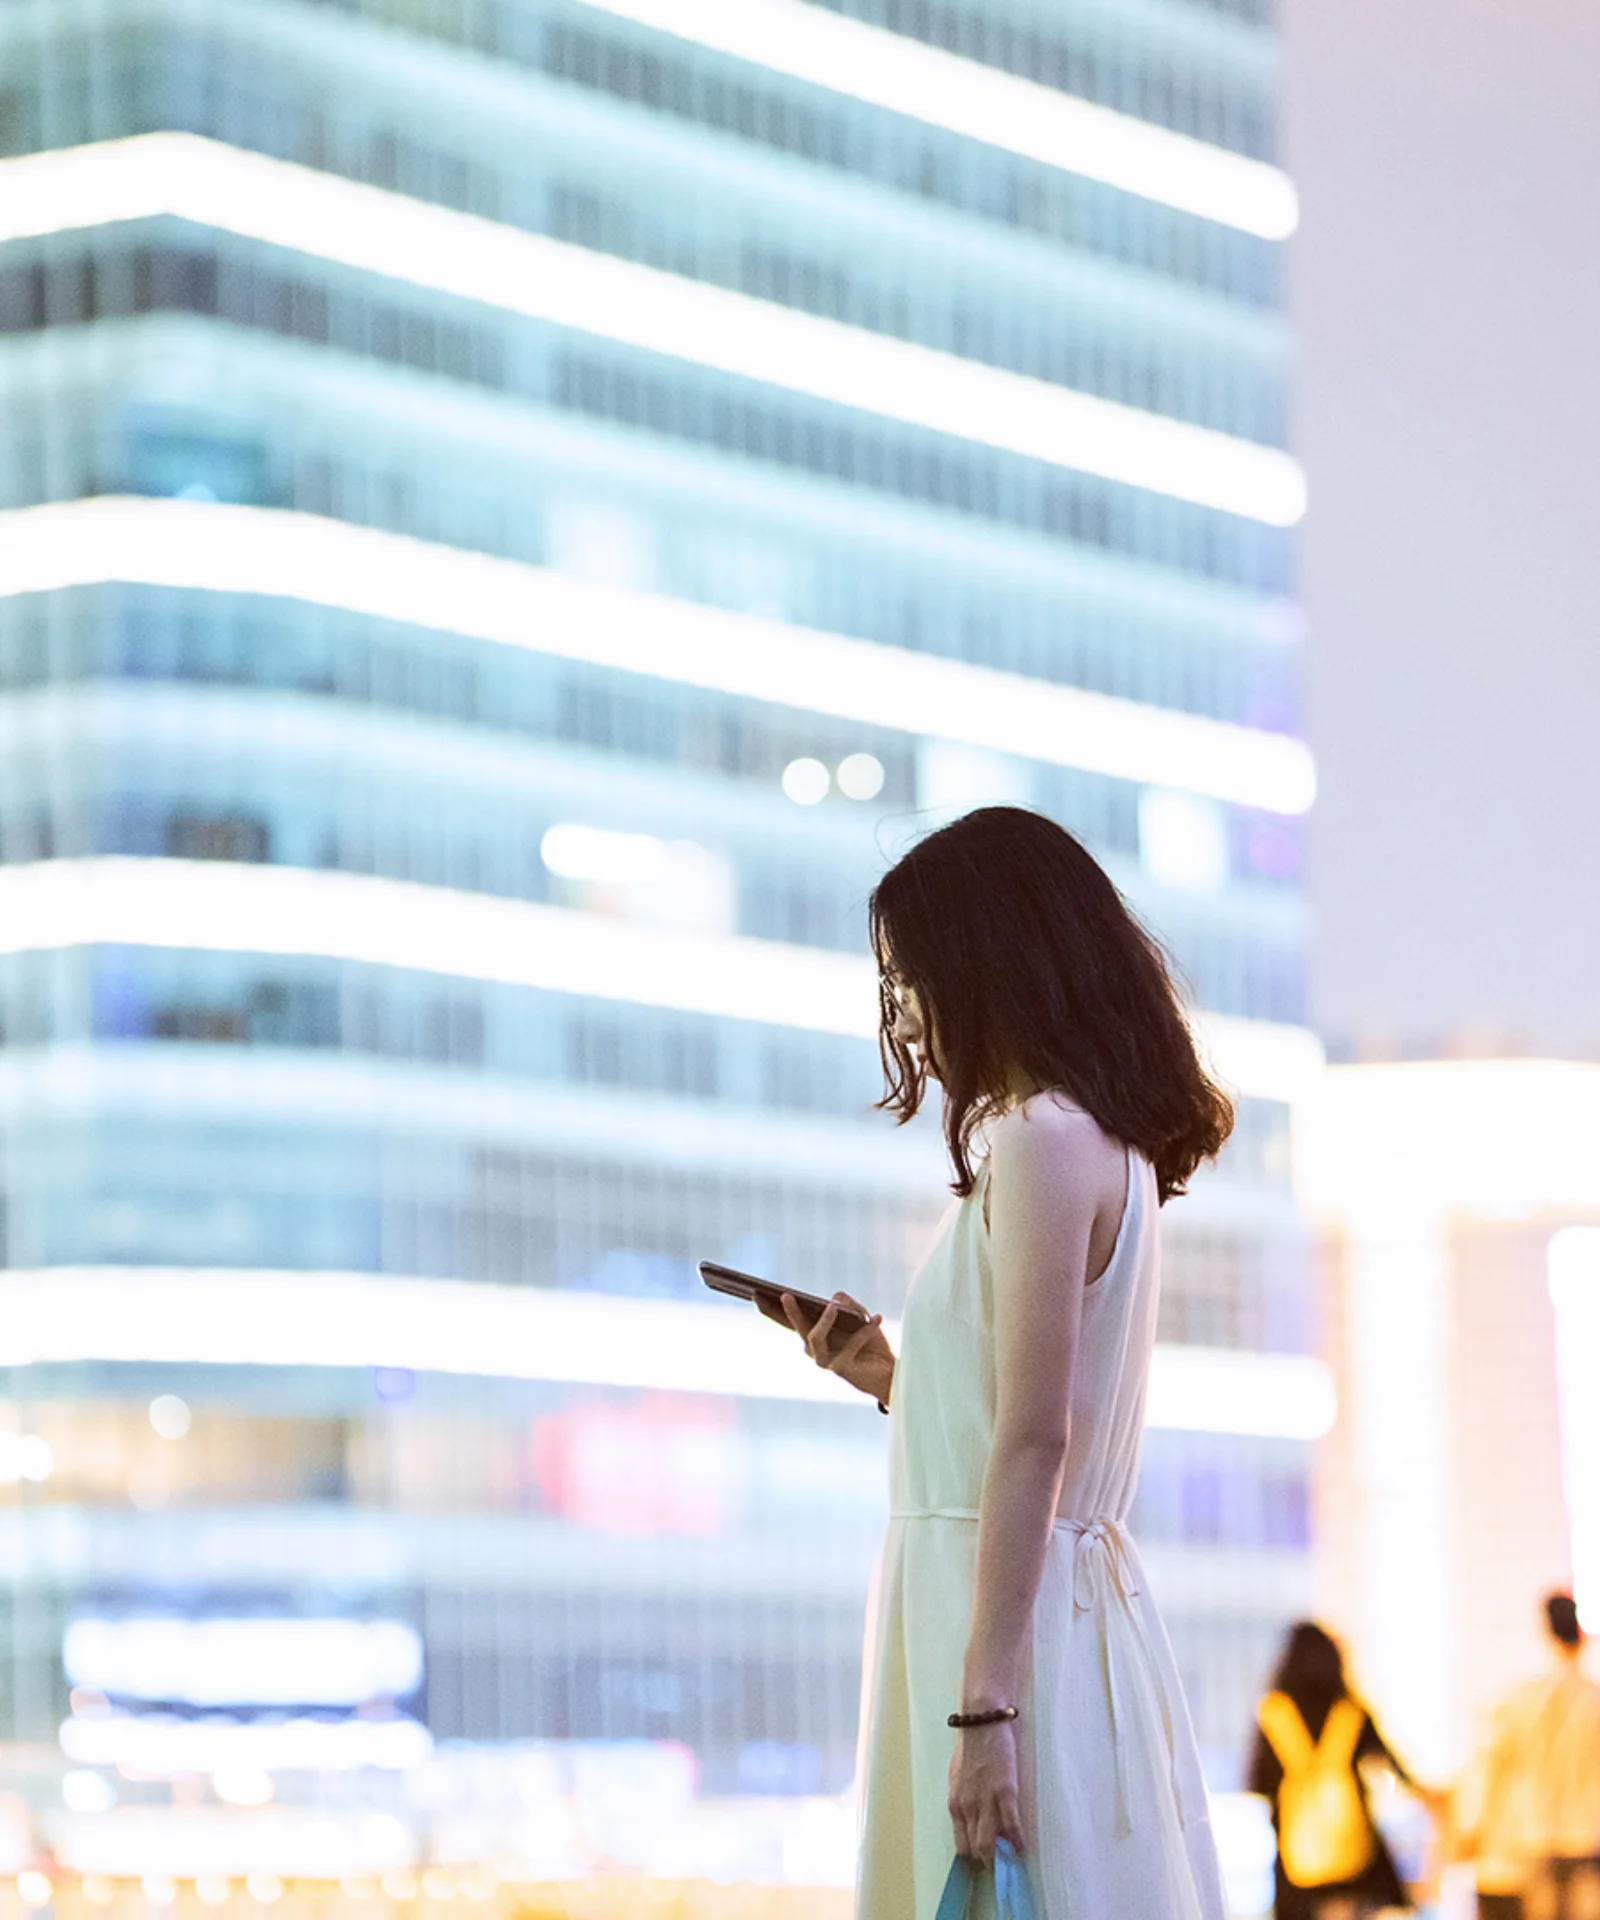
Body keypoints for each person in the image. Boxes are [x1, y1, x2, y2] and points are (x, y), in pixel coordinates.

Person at [777, 806, 1233, 1919]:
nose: (906, 1013)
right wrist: (890, 1377)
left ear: (986, 962)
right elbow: (1024, 1421)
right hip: (1044, 1612)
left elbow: (1036, 1436)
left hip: (1000, 1633)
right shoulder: (1096, 1141)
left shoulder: (1039, 1141)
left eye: (911, 975)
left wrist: (984, 1713)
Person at [1248, 1620, 1422, 1920]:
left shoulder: (1274, 1713)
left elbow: (1257, 1782)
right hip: (1357, 1858)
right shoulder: (1349, 1711)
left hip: (1296, 1863)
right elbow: (1394, 1767)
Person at [1454, 1593, 1600, 1920]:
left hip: (1534, 1837)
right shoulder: (1592, 1699)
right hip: (1587, 1836)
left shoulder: (1521, 1700)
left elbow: (1491, 1767)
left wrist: (1472, 1826)